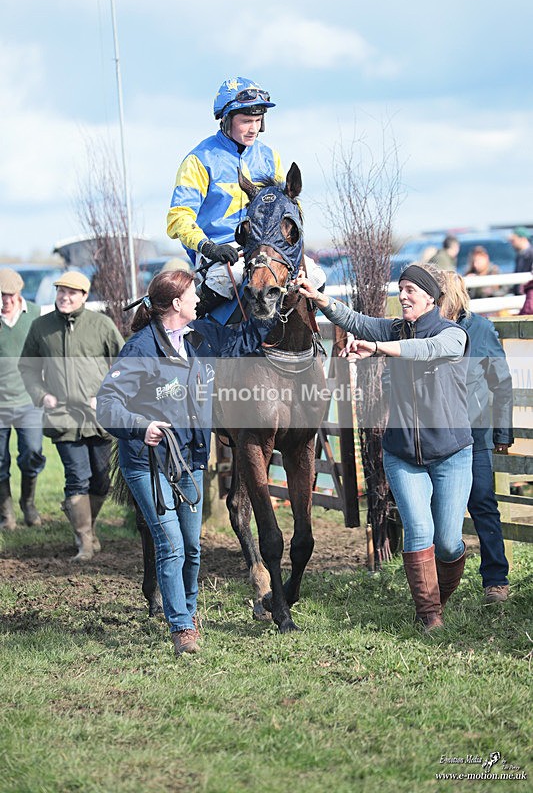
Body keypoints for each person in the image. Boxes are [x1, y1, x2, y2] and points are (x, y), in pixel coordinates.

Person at [96, 269, 279, 656]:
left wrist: (263, 302)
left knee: (193, 547)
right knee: (172, 545)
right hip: (147, 463)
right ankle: (181, 627)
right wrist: (140, 426)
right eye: (194, 294)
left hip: (190, 460)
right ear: (177, 303)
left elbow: (245, 338)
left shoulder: (202, 336)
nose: (200, 299)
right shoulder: (141, 349)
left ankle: (189, 613)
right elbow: (107, 405)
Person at [298, 264, 473, 631]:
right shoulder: (394, 328)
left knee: (447, 543)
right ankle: (429, 616)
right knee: (419, 530)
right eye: (401, 288)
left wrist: (377, 349)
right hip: (402, 453)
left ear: (430, 298)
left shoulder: (452, 334)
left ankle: (438, 600)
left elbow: (424, 350)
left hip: (452, 453)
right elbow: (355, 320)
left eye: (411, 290)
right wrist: (321, 300)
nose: (403, 295)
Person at [166, 76, 325, 317]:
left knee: (315, 276)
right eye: (246, 121)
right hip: (220, 249)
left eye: (258, 120)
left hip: (267, 247)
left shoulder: (270, 157)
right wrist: (209, 247)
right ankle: (187, 328)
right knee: (224, 280)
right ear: (226, 120)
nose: (253, 128)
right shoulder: (199, 160)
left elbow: (289, 209)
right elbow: (179, 218)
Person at [19, 271, 124, 561]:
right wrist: (41, 395)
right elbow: (27, 367)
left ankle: (86, 526)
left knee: (101, 480)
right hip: (62, 415)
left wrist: (106, 395)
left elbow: (124, 364)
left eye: (71, 293)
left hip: (97, 416)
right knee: (77, 477)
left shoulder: (101, 325)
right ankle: (84, 543)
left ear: (84, 296)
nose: (64, 297)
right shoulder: (41, 327)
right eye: (61, 291)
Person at [438, 271, 513, 603]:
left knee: (482, 502)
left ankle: (496, 580)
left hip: (475, 434)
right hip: (437, 436)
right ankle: (437, 582)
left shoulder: (481, 329)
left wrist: (503, 432)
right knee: (436, 509)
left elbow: (502, 383)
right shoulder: (427, 330)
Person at [0, 269, 46, 530]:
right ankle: (6, 514)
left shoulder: (35, 314)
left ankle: (28, 503)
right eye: (1, 295)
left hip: (29, 400)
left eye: (10, 295)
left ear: (18, 293)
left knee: (32, 452)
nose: (5, 300)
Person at [509, 226, 533, 296]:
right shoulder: (519, 255)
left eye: (513, 240)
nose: (511, 243)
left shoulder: (531, 255)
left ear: (523, 239)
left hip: (528, 295)